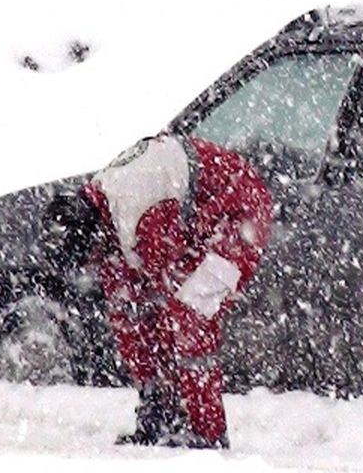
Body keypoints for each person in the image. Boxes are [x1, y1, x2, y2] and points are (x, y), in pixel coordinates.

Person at [72, 134, 272, 449]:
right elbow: (128, 316)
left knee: (188, 314)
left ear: (93, 238)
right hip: (198, 218)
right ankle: (163, 411)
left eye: (90, 260)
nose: (92, 270)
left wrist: (163, 369)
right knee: (130, 308)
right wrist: (150, 393)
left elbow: (162, 299)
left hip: (239, 212)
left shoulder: (140, 213)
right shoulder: (105, 212)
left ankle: (207, 432)